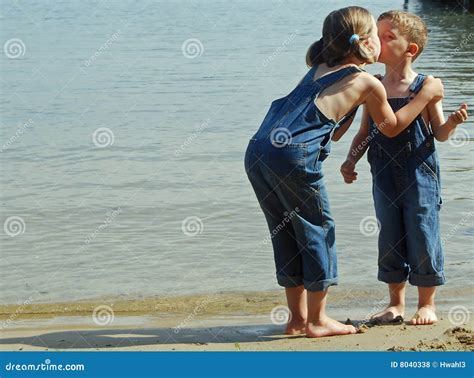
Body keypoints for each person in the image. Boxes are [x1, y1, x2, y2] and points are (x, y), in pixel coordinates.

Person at [244, 6, 444, 337]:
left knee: (287, 232)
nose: (381, 41)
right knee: (317, 229)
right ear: (366, 43)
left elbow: (334, 129)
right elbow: (391, 128)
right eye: (377, 36)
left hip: (258, 150)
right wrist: (424, 96)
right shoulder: (368, 82)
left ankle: (296, 319)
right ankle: (318, 321)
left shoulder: (322, 67)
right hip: (293, 155)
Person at [339, 10, 468, 326]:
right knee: (390, 233)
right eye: (375, 35)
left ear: (410, 49)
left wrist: (451, 122)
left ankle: (427, 304)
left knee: (422, 230)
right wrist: (351, 158)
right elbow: (365, 130)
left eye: (386, 37)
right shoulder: (375, 84)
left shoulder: (426, 86)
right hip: (382, 171)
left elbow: (437, 132)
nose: (376, 42)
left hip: (419, 171)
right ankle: (396, 303)